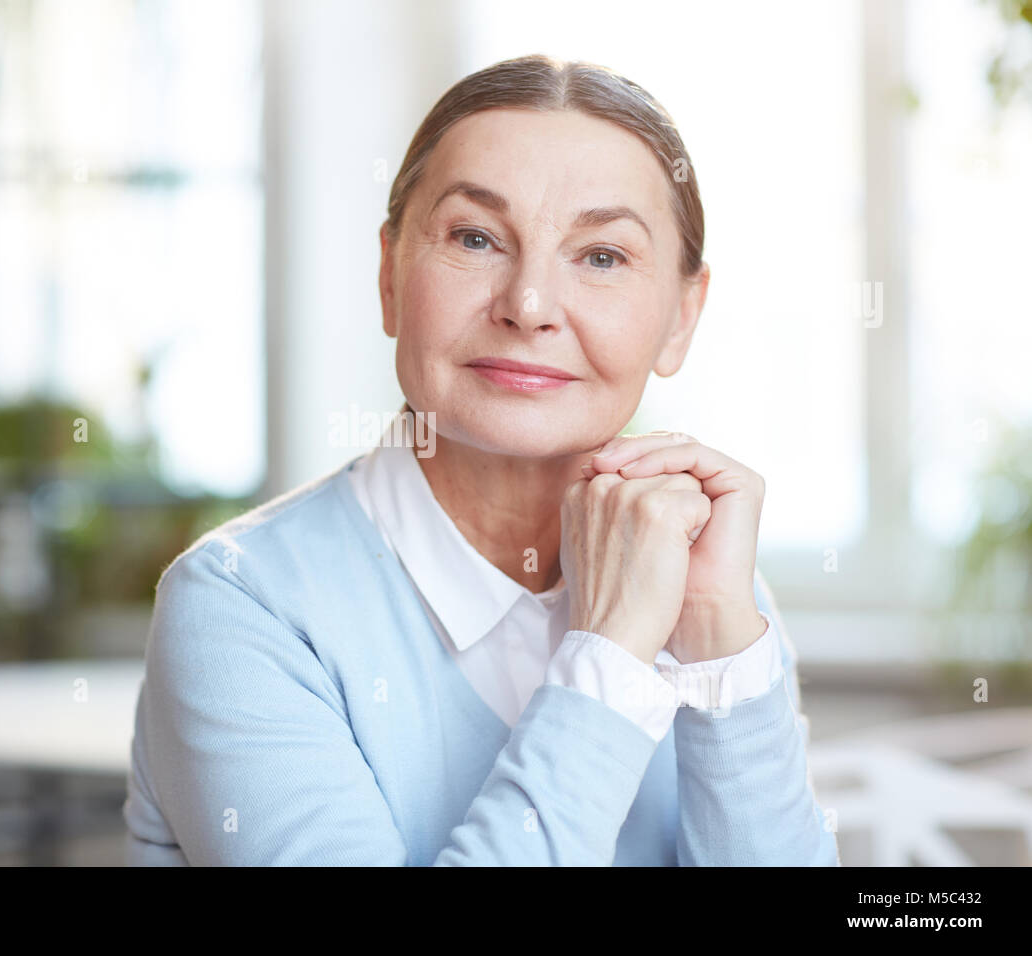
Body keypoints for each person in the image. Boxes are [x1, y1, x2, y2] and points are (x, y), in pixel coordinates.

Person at [123, 53, 841, 866]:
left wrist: (714, 638)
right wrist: (608, 657)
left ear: (682, 317)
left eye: (601, 256)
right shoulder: (241, 608)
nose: (529, 306)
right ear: (390, 276)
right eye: (474, 238)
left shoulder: (714, 586)